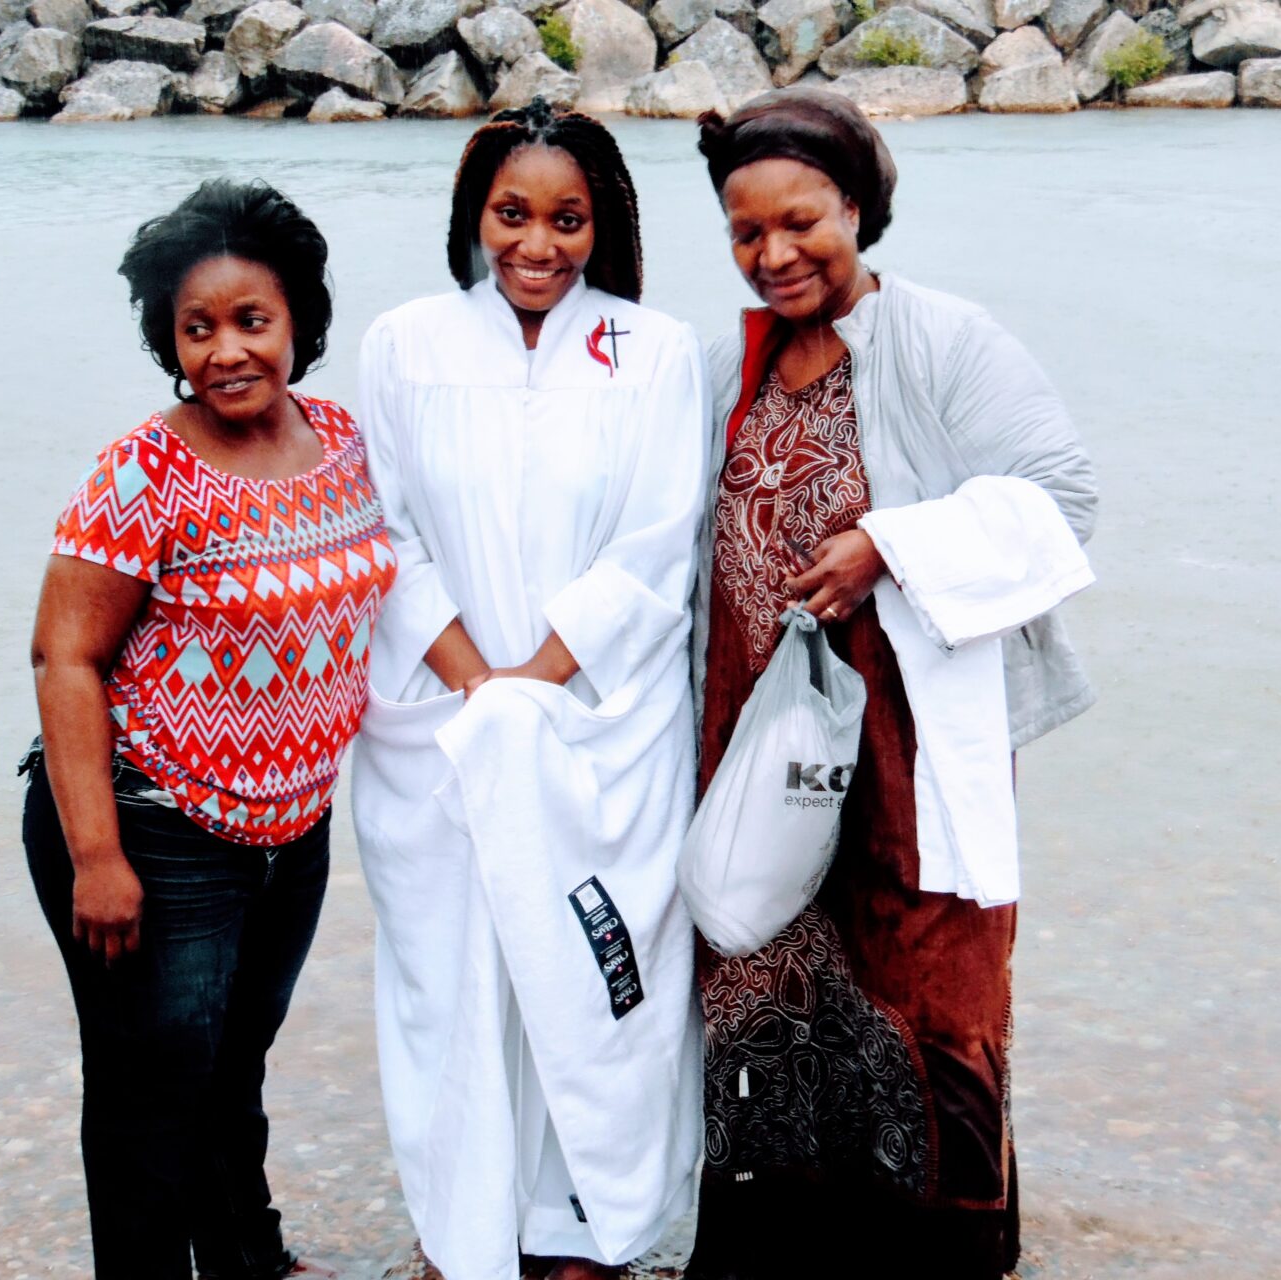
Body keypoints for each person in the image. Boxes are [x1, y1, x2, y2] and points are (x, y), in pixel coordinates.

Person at [684, 90, 1098, 1279]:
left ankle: (949, 1254)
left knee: (927, 983)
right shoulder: (730, 365)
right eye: (744, 234)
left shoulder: (944, 339)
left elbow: (1062, 496)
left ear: (856, 207)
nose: (775, 256)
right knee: (765, 965)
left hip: (913, 741)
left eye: (800, 222)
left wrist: (891, 545)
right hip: (761, 737)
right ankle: (785, 1244)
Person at [351, 100, 708, 1280]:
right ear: (474, 215)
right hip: (443, 715)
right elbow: (384, 530)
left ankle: (590, 1219)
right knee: (455, 972)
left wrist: (535, 690)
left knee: (593, 958)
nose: (538, 245)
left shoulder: (654, 352)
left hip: (601, 714)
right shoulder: (406, 344)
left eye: (568, 218)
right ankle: (465, 1217)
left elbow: (659, 544)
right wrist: (478, 691)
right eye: (513, 214)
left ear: (603, 225)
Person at [23, 179, 395, 1280]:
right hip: (153, 830)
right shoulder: (145, 468)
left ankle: (250, 1259)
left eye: (251, 320)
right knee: (150, 1092)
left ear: (298, 323)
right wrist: (97, 853)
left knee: (234, 1062)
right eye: (198, 328)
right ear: (169, 341)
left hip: (292, 832)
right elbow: (65, 655)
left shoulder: (341, 438)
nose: (227, 350)